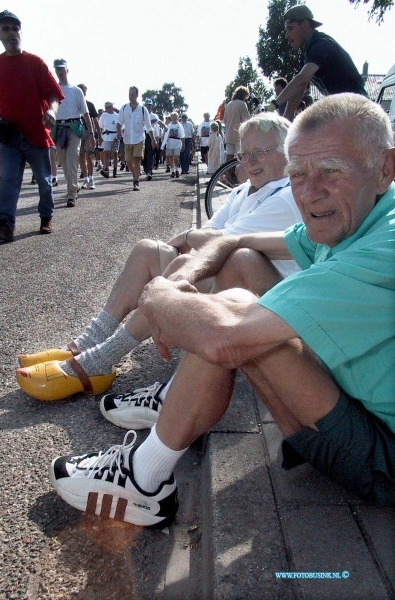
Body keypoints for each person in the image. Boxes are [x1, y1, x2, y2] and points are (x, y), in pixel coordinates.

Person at [47, 94, 395, 526]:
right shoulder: (362, 212)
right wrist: (180, 281)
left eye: (331, 171)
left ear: (385, 168)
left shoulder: (388, 243)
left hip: (381, 457)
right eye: (298, 174)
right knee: (242, 266)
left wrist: (157, 296)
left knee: (229, 317)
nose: (308, 192)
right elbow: (231, 242)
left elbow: (223, 335)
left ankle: (144, 477)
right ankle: (175, 400)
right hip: (348, 409)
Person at [16, 113, 302, 403]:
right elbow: (210, 233)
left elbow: (219, 242)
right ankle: (88, 343)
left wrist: (189, 237)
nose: (249, 161)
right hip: (226, 282)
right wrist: (196, 238)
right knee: (147, 250)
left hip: (257, 302)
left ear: (287, 153)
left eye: (260, 152)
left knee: (191, 262)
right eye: (245, 153)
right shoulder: (244, 190)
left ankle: (98, 361)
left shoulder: (285, 196)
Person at [0, 10, 63, 241]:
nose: (12, 33)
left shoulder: (35, 63)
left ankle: (46, 217)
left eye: (15, 28)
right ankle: (5, 224)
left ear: (21, 32)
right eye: (6, 28)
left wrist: (51, 111)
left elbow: (54, 94)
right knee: (8, 180)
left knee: (44, 181)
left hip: (36, 133)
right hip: (9, 136)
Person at [265, 5, 367, 119]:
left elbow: (302, 79)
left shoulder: (320, 45)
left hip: (359, 110)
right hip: (346, 110)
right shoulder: (306, 54)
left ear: (304, 25)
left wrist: (274, 104)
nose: (286, 35)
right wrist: (284, 119)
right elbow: (299, 89)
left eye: (290, 29)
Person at [53, 59, 95, 207]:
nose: (60, 72)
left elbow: (85, 114)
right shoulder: (53, 89)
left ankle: (71, 193)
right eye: (57, 69)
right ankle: (74, 186)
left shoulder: (76, 91)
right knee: (63, 162)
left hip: (74, 129)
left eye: (62, 69)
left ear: (67, 70)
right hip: (58, 129)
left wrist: (91, 134)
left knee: (72, 159)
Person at [116, 87, 156, 191]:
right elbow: (119, 122)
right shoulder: (124, 108)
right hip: (127, 139)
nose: (131, 97)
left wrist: (153, 139)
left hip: (139, 138)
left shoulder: (143, 109)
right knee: (128, 161)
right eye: (129, 94)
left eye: (133, 94)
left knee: (137, 160)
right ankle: (135, 173)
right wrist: (118, 132)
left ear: (137, 95)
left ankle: (136, 182)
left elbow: (148, 126)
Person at [77, 83, 100, 190]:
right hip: (77, 132)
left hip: (88, 132)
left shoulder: (89, 105)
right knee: (81, 157)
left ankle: (91, 179)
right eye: (81, 90)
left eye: (84, 91)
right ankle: (85, 179)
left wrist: (98, 135)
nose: (83, 93)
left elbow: (95, 120)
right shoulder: (74, 105)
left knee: (89, 156)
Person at [223, 86, 250, 162]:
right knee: (242, 159)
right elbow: (246, 121)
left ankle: (227, 174)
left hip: (229, 135)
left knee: (229, 158)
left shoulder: (228, 105)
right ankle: (240, 174)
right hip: (239, 136)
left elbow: (224, 120)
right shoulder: (242, 104)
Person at [161, 112, 185, 179]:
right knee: (170, 158)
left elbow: (183, 136)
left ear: (177, 117)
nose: (174, 118)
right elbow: (165, 134)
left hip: (177, 142)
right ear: (171, 118)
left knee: (176, 158)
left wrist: (183, 144)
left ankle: (177, 170)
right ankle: (173, 171)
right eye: (173, 117)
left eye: (175, 116)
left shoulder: (180, 126)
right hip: (169, 143)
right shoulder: (169, 126)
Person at [98, 102, 119, 179]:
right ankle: (106, 170)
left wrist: (118, 136)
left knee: (115, 154)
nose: (107, 109)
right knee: (106, 153)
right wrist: (100, 137)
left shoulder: (117, 116)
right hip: (106, 136)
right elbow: (100, 127)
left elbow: (120, 127)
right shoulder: (103, 115)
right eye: (106, 108)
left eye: (108, 107)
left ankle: (115, 170)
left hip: (115, 136)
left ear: (111, 107)